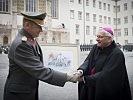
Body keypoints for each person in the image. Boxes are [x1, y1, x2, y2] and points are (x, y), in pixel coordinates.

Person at [3, 12, 77, 100]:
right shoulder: (21, 44)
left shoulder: (30, 39)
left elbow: (39, 63)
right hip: (19, 94)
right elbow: (39, 70)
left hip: (27, 90)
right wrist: (67, 77)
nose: (41, 30)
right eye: (39, 26)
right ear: (27, 25)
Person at [74, 27, 132, 100]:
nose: (97, 39)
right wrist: (80, 71)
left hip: (103, 89)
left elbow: (106, 75)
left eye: (100, 37)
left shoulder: (117, 54)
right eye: (97, 36)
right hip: (90, 87)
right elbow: (88, 61)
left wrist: (84, 79)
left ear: (109, 39)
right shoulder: (96, 47)